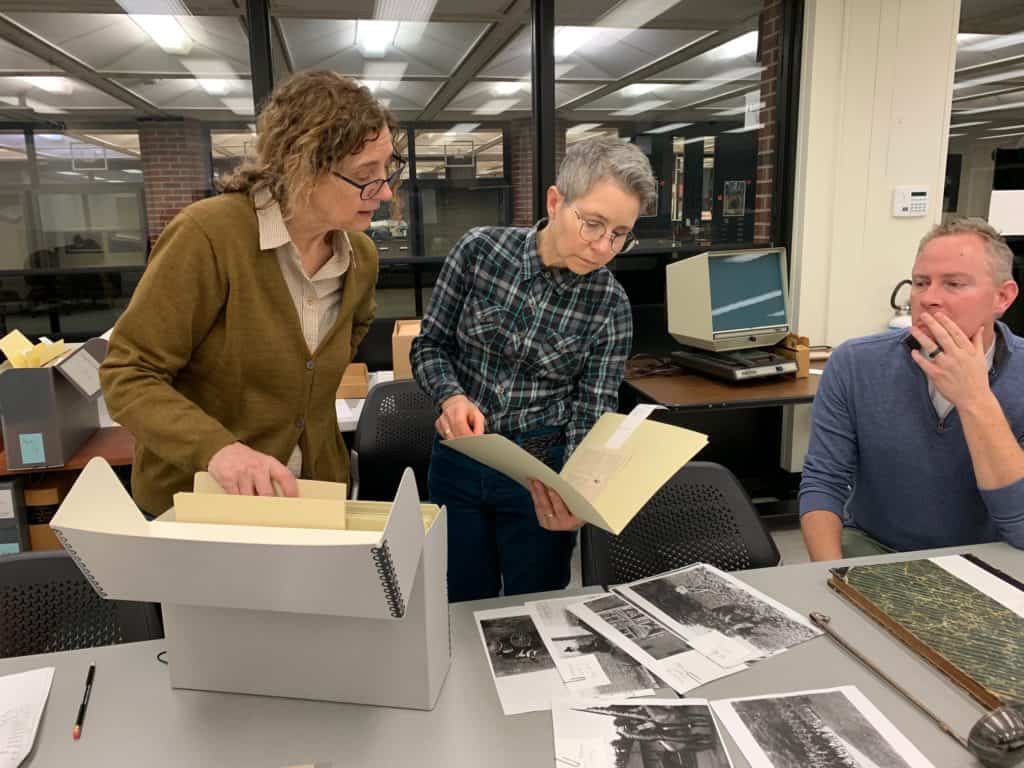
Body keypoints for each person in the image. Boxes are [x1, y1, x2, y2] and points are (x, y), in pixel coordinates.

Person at [101, 71, 402, 515]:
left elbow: (339, 345)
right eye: (365, 174)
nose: (386, 191)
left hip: (310, 498)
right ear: (304, 166)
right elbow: (127, 374)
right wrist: (219, 449)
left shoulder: (359, 255)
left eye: (387, 168)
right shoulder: (208, 235)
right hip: (201, 503)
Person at [411, 136, 656, 601]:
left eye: (620, 234)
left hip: (542, 477)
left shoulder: (609, 305)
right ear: (555, 201)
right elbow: (429, 346)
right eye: (593, 224)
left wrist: (579, 496)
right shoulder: (480, 253)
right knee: (458, 600)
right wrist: (451, 396)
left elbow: (593, 415)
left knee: (539, 607)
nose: (604, 247)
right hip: (460, 460)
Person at [800, 218, 1024, 559]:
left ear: (1002, 297)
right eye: (921, 283)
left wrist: (975, 398)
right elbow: (824, 482)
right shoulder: (856, 363)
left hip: (990, 557)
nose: (929, 298)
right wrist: (829, 575)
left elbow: (1020, 528)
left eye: (954, 284)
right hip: (876, 547)